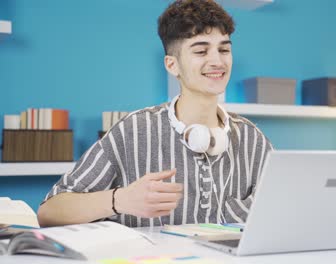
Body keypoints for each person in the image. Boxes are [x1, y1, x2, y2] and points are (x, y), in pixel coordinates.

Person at [37, 0, 273, 227]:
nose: (217, 61)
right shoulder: (133, 130)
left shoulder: (253, 140)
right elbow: (49, 211)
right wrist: (120, 200)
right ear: (172, 65)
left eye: (224, 50)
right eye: (201, 51)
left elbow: (285, 212)